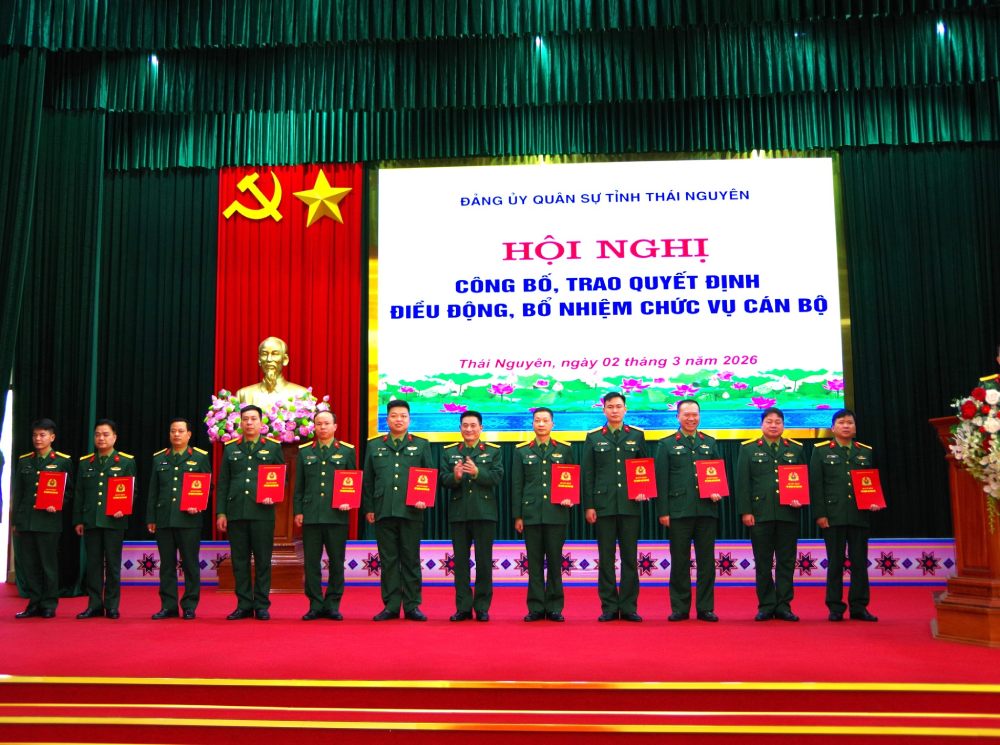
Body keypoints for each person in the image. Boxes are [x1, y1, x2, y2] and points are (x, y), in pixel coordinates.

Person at [362, 399, 435, 621]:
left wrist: (424, 498)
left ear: (409, 419)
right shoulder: (375, 445)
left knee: (411, 559)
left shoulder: (421, 445)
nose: (399, 419)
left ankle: (412, 605)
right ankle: (391, 606)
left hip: (411, 511)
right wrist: (369, 508)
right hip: (383, 510)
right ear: (387, 419)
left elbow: (428, 475)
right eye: (394, 415)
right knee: (388, 560)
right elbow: (368, 480)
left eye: (403, 416)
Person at [582, 392, 649, 622]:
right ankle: (609, 606)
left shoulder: (637, 436)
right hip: (603, 506)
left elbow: (644, 470)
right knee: (606, 558)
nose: (614, 410)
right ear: (603, 410)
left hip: (630, 505)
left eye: (618, 406)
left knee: (631, 557)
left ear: (625, 409)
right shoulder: (593, 438)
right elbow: (587, 475)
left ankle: (629, 606)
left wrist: (645, 491)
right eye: (610, 407)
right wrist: (589, 506)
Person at [811, 408, 882, 622]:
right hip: (833, 516)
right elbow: (816, 486)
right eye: (841, 422)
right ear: (833, 428)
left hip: (859, 515)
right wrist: (820, 514)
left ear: (855, 427)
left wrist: (874, 501)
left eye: (850, 422)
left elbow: (871, 483)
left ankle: (859, 606)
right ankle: (835, 607)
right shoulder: (821, 451)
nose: (846, 426)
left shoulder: (864, 451)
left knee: (860, 562)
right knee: (835, 562)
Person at [735, 407, 805, 622]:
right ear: (761, 424)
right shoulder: (748, 449)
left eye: (778, 422)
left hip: (788, 513)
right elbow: (742, 483)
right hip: (760, 514)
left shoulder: (796, 449)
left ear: (783, 425)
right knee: (763, 562)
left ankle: (784, 605)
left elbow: (802, 481)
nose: (774, 425)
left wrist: (799, 498)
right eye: (769, 421)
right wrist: (746, 511)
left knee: (786, 561)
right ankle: (766, 605)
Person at [216, 405, 285, 620]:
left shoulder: (273, 448)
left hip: (262, 513)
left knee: (263, 560)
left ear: (261, 423)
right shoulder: (230, 448)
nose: (249, 423)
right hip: (236, 512)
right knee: (240, 561)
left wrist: (273, 495)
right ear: (240, 422)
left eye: (253, 419)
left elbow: (282, 479)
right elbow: (223, 482)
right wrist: (221, 513)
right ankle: (244, 604)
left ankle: (262, 604)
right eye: (245, 419)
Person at [657, 399, 723, 622]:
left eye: (695, 414)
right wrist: (663, 512)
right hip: (678, 511)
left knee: (706, 562)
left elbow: (717, 478)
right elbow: (661, 480)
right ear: (678, 416)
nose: (691, 418)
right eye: (686, 414)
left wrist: (717, 492)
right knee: (680, 561)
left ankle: (705, 607)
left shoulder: (710, 443)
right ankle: (680, 607)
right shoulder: (666, 444)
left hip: (706, 510)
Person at [512, 407, 575, 622]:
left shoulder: (564, 450)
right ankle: (536, 607)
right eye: (537, 420)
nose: (541, 424)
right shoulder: (522, 451)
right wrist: (518, 516)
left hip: (557, 513)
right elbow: (517, 485)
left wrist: (570, 498)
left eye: (545, 420)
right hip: (530, 515)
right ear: (532, 424)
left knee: (556, 562)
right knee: (535, 563)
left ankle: (555, 607)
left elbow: (571, 480)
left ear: (552, 424)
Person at [440, 410, 503, 622]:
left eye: (473, 425)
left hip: (484, 513)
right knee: (460, 563)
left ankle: (482, 607)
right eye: (465, 425)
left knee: (484, 562)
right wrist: (455, 476)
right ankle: (463, 607)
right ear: (460, 428)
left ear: (481, 428)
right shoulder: (449, 452)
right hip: (459, 514)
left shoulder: (493, 451)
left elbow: (497, 477)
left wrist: (477, 473)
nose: (469, 429)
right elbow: (442, 479)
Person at [145, 418, 211, 620]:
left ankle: (190, 605)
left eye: (181, 431)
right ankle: (168, 605)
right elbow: (153, 490)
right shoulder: (159, 458)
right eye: (173, 431)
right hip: (164, 518)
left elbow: (208, 487)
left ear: (189, 435)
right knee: (166, 565)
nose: (176, 434)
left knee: (190, 564)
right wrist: (151, 518)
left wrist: (198, 505)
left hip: (189, 520)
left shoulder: (199, 458)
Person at [293, 409, 356, 621]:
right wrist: (298, 511)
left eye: (326, 423)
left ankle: (332, 604)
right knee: (311, 562)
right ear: (314, 427)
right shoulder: (304, 452)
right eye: (318, 424)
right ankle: (315, 604)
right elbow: (299, 486)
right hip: (311, 515)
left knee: (337, 562)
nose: (322, 427)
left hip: (337, 515)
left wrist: (350, 501)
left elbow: (353, 482)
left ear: (335, 427)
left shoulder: (347, 451)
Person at [73, 419, 136, 619]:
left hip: (114, 521)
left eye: (106, 434)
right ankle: (94, 605)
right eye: (98, 434)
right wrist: (78, 520)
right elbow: (79, 494)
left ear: (114, 437)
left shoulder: (126, 461)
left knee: (113, 565)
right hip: (91, 521)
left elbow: (132, 491)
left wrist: (124, 509)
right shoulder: (86, 462)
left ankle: (112, 605)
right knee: (93, 566)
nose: (101, 438)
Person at [12, 418, 73, 618]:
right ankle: (34, 602)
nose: (38, 439)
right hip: (27, 521)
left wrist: (57, 504)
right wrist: (16, 522)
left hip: (48, 522)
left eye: (42, 435)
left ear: (52, 437)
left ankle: (49, 604)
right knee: (30, 565)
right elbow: (19, 493)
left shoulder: (62, 461)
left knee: (48, 565)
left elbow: (69, 492)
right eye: (35, 435)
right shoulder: (24, 460)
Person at [236, 336, 309, 407]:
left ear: (285, 359)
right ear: (259, 360)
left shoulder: (301, 394)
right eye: (264, 354)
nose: (269, 359)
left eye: (275, 354)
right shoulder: (243, 394)